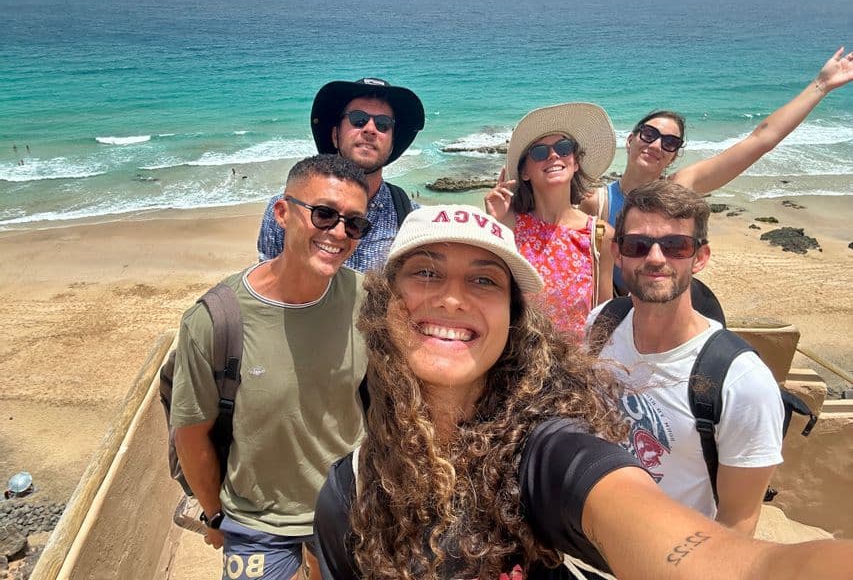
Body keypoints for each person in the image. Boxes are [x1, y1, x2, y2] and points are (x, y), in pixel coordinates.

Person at [313, 204, 853, 580]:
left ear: (514, 323)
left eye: (484, 280)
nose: (453, 299)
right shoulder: (348, 490)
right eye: (426, 272)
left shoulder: (549, 454)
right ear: (384, 304)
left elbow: (713, 556)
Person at [171, 155, 371, 580]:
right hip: (255, 517)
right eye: (324, 214)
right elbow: (191, 435)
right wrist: (213, 516)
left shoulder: (365, 300)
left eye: (354, 224)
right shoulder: (215, 319)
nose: (338, 232)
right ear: (282, 213)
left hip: (345, 502)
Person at [586, 180, 783, 535]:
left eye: (676, 246)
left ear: (700, 257)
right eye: (638, 245)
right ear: (618, 253)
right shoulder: (600, 324)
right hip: (587, 546)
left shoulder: (741, 383)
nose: (655, 258)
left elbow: (738, 521)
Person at [578, 48, 853, 294]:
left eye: (670, 142)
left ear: (674, 155)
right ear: (631, 139)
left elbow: (760, 140)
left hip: (668, 310)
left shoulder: (678, 189)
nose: (657, 144)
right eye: (649, 134)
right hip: (616, 315)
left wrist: (821, 84)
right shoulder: (595, 202)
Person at [257, 77, 425, 271]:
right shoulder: (290, 208)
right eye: (358, 119)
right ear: (335, 135)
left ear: (392, 145)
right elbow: (269, 282)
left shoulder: (410, 217)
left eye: (383, 124)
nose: (370, 129)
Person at [484, 102, 616, 340]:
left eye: (564, 148)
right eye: (539, 152)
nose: (554, 155)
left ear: (575, 162)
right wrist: (495, 223)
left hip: (572, 368)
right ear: (524, 172)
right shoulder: (510, 225)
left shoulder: (599, 234)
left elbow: (603, 316)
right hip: (516, 364)